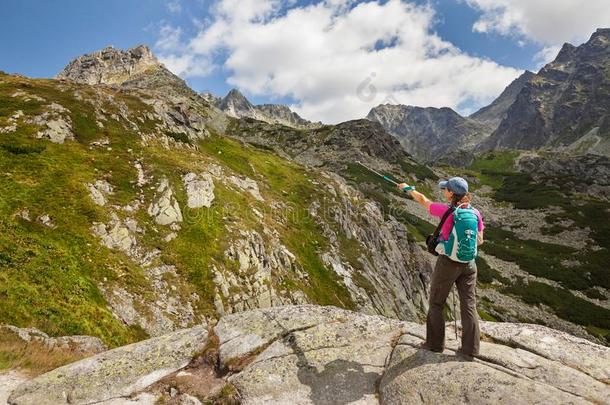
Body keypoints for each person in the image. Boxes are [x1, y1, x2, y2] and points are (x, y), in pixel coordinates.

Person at [397, 176, 484, 358]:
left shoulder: (447, 211)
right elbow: (480, 240)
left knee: (436, 303)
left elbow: (422, 200)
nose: (443, 191)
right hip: (469, 264)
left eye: (445, 189)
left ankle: (435, 344)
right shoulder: (475, 213)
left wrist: (407, 188)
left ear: (451, 193)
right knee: (469, 305)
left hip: (448, 263)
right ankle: (471, 349)